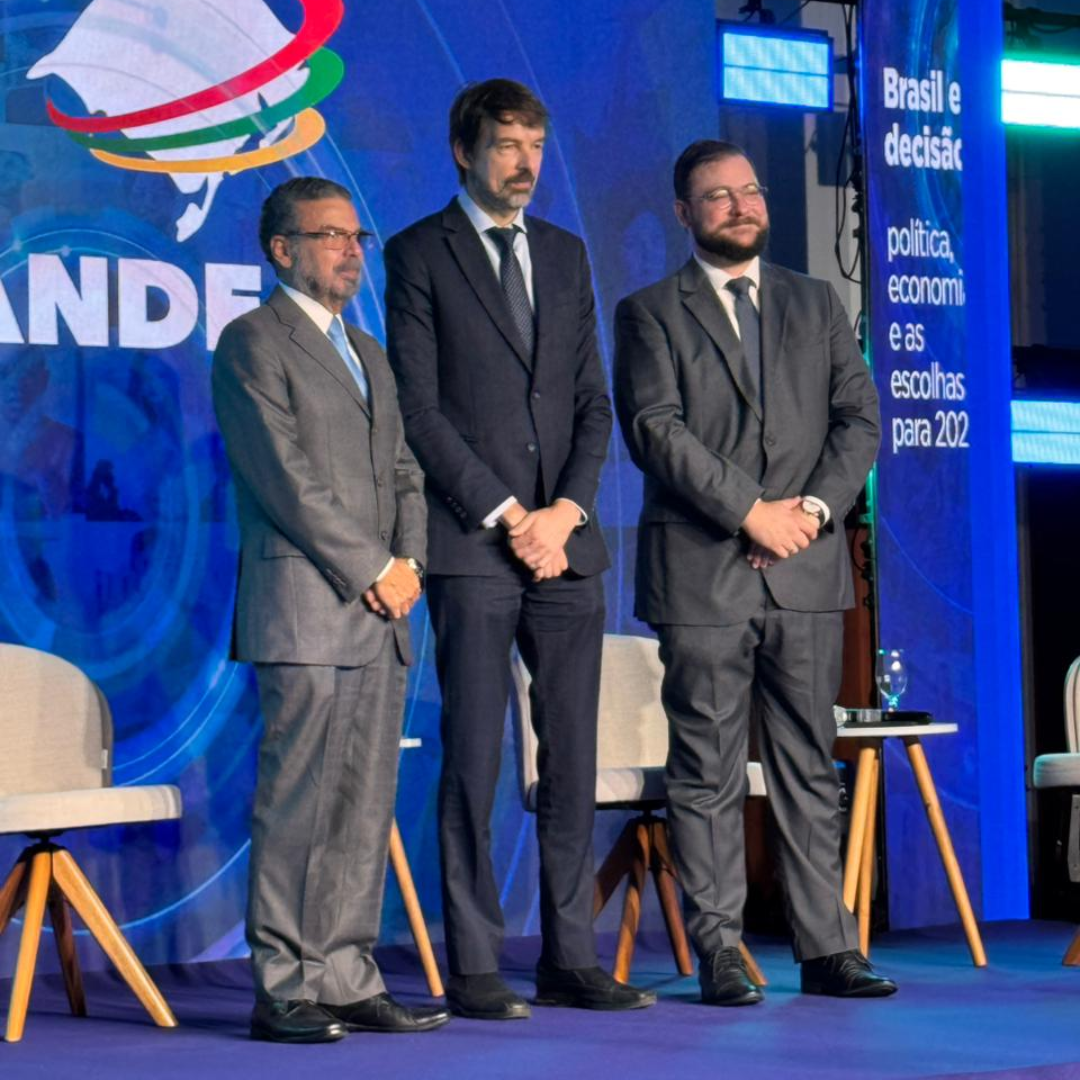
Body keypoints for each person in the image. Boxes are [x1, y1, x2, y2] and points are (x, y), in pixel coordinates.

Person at [384, 79, 654, 1019]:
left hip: (565, 548)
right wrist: (511, 515)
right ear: (464, 152)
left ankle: (571, 957)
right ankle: (474, 965)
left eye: (536, 144)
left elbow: (592, 404)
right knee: (474, 759)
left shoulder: (567, 254)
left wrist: (566, 511)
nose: (526, 163)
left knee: (572, 759)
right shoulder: (419, 252)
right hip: (475, 544)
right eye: (507, 145)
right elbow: (419, 411)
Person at [613, 140, 896, 1005]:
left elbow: (859, 419)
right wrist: (751, 513)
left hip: (805, 570)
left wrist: (809, 513)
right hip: (704, 573)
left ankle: (828, 947)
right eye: (718, 196)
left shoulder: (817, 302)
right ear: (684, 213)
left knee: (809, 760)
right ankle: (721, 949)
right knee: (707, 766)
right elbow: (656, 430)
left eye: (750, 191)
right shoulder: (649, 312)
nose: (741, 206)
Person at [212, 177, 450, 1042]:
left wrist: (409, 564)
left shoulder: (370, 352)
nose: (353, 251)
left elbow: (406, 473)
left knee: (361, 803)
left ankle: (346, 977)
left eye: (358, 237)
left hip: (385, 611)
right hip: (307, 606)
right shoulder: (251, 342)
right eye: (331, 236)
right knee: (300, 802)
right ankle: (283, 986)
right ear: (282, 250)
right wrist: (373, 566)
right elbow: (285, 479)